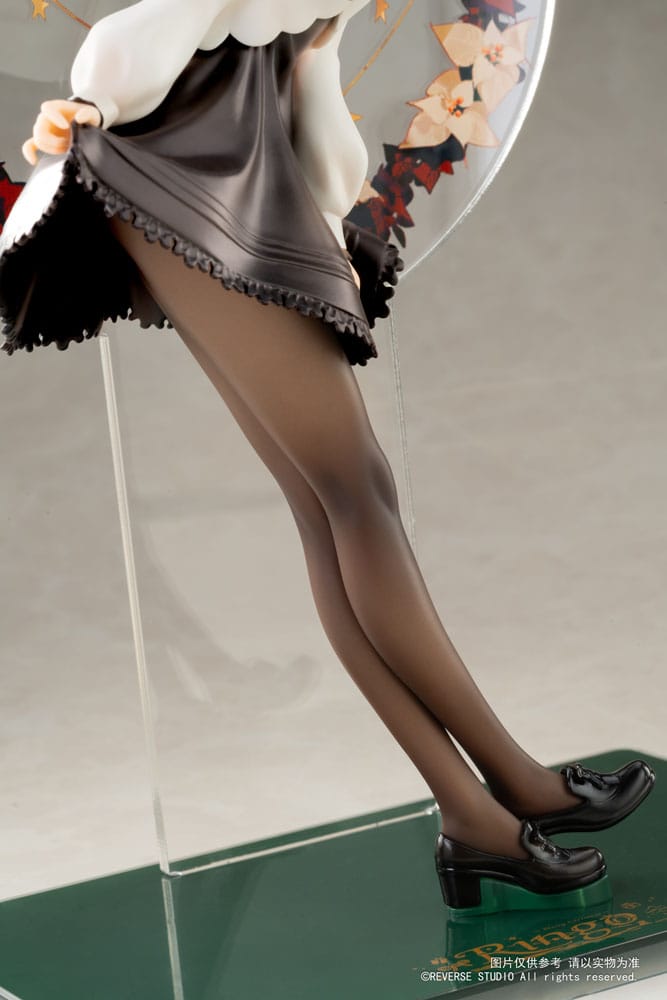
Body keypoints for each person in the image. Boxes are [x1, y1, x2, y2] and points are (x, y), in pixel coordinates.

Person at [0, 0, 654, 912]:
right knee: (353, 495)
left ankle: (475, 810)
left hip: (242, 209)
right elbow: (116, 59)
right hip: (172, 195)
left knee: (335, 505)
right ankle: (509, 782)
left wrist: (317, 57)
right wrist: (107, 98)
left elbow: (333, 176)